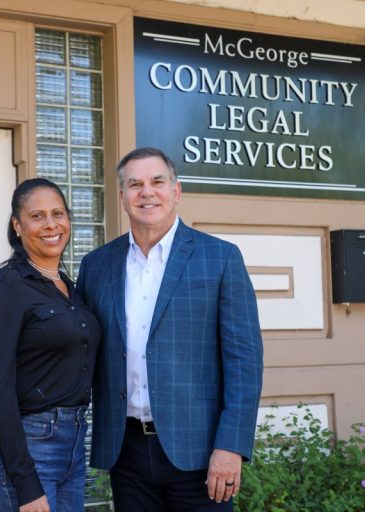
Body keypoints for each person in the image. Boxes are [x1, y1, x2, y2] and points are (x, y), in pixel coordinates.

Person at [76, 147, 264, 510]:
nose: (146, 192)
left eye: (157, 182)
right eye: (135, 184)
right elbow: (78, 351)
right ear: (123, 197)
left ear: (176, 191)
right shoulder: (96, 266)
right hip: (126, 451)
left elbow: (245, 362)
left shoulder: (220, 258)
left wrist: (231, 446)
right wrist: (17, 397)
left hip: (200, 451)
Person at [0, 178, 101, 512]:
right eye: (38, 216)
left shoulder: (70, 289)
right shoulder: (6, 287)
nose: (51, 224)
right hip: (27, 450)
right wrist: (26, 484)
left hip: (72, 447)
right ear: (17, 225)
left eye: (58, 213)